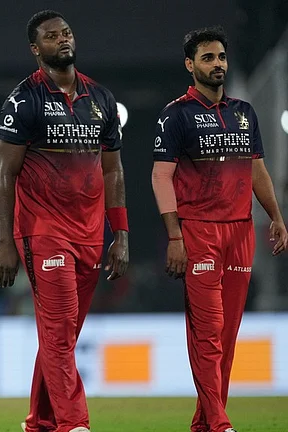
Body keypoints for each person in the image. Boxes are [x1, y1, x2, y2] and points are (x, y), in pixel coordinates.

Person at [0, 10, 129, 432]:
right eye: (52, 36)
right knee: (57, 328)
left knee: (63, 334)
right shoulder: (23, 100)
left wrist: (120, 233)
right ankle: (74, 423)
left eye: (66, 33)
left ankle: (39, 421)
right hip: (43, 230)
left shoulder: (100, 97)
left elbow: (113, 172)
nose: (63, 40)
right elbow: (4, 175)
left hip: (90, 232)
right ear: (36, 49)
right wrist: (5, 242)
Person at [151, 26, 287, 432]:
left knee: (226, 336)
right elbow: (161, 178)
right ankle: (220, 421)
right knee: (207, 333)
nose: (217, 65)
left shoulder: (244, 112)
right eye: (208, 58)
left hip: (241, 233)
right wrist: (175, 236)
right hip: (199, 233)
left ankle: (206, 422)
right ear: (191, 65)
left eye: (221, 57)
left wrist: (277, 217)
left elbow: (257, 169)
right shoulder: (175, 114)